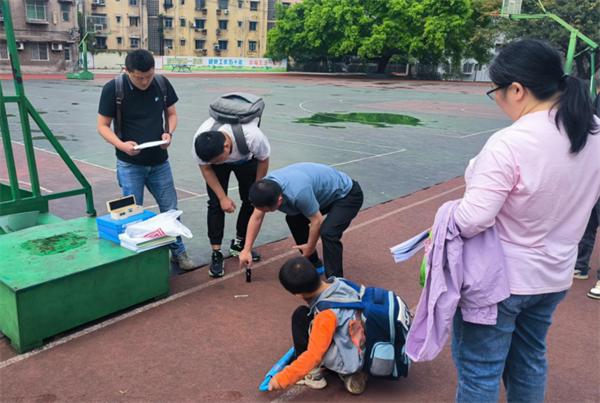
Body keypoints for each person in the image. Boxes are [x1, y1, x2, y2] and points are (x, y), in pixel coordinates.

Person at [452, 39, 600, 402]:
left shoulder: (511, 143)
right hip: (554, 275)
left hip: (500, 281)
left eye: (495, 92)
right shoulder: (592, 128)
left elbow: (472, 219)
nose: (498, 100)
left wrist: (445, 219)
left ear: (517, 89)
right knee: (530, 359)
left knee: (480, 371)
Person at [97, 49, 196, 271]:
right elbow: (102, 126)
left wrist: (168, 133)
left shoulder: (161, 83)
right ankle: (137, 258)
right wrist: (122, 145)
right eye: (139, 77)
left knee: (170, 209)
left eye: (148, 76)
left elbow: (171, 114)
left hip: (160, 161)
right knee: (132, 213)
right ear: (127, 71)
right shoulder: (114, 88)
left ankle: (178, 253)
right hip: (129, 164)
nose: (144, 81)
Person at [240, 163, 363, 278]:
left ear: (279, 200)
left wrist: (310, 246)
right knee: (294, 219)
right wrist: (246, 249)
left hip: (347, 195)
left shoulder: (298, 193)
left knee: (328, 232)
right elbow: (256, 217)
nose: (263, 212)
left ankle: (336, 281)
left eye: (267, 210)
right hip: (321, 193)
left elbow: (317, 221)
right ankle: (314, 263)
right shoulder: (265, 189)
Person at [267, 256, 368, 395]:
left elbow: (313, 355)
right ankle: (354, 370)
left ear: (298, 294)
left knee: (301, 315)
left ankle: (315, 375)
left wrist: (281, 379)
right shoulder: (340, 283)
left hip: (348, 357)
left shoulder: (326, 315)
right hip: (364, 346)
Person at [192, 116, 270, 278]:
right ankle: (216, 252)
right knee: (214, 204)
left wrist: (257, 188)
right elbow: (207, 169)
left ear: (227, 146)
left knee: (251, 200)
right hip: (220, 165)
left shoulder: (252, 136)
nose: (217, 162)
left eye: (218, 160)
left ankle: (240, 244)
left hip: (246, 160)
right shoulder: (200, 144)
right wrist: (222, 198)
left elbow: (263, 159)